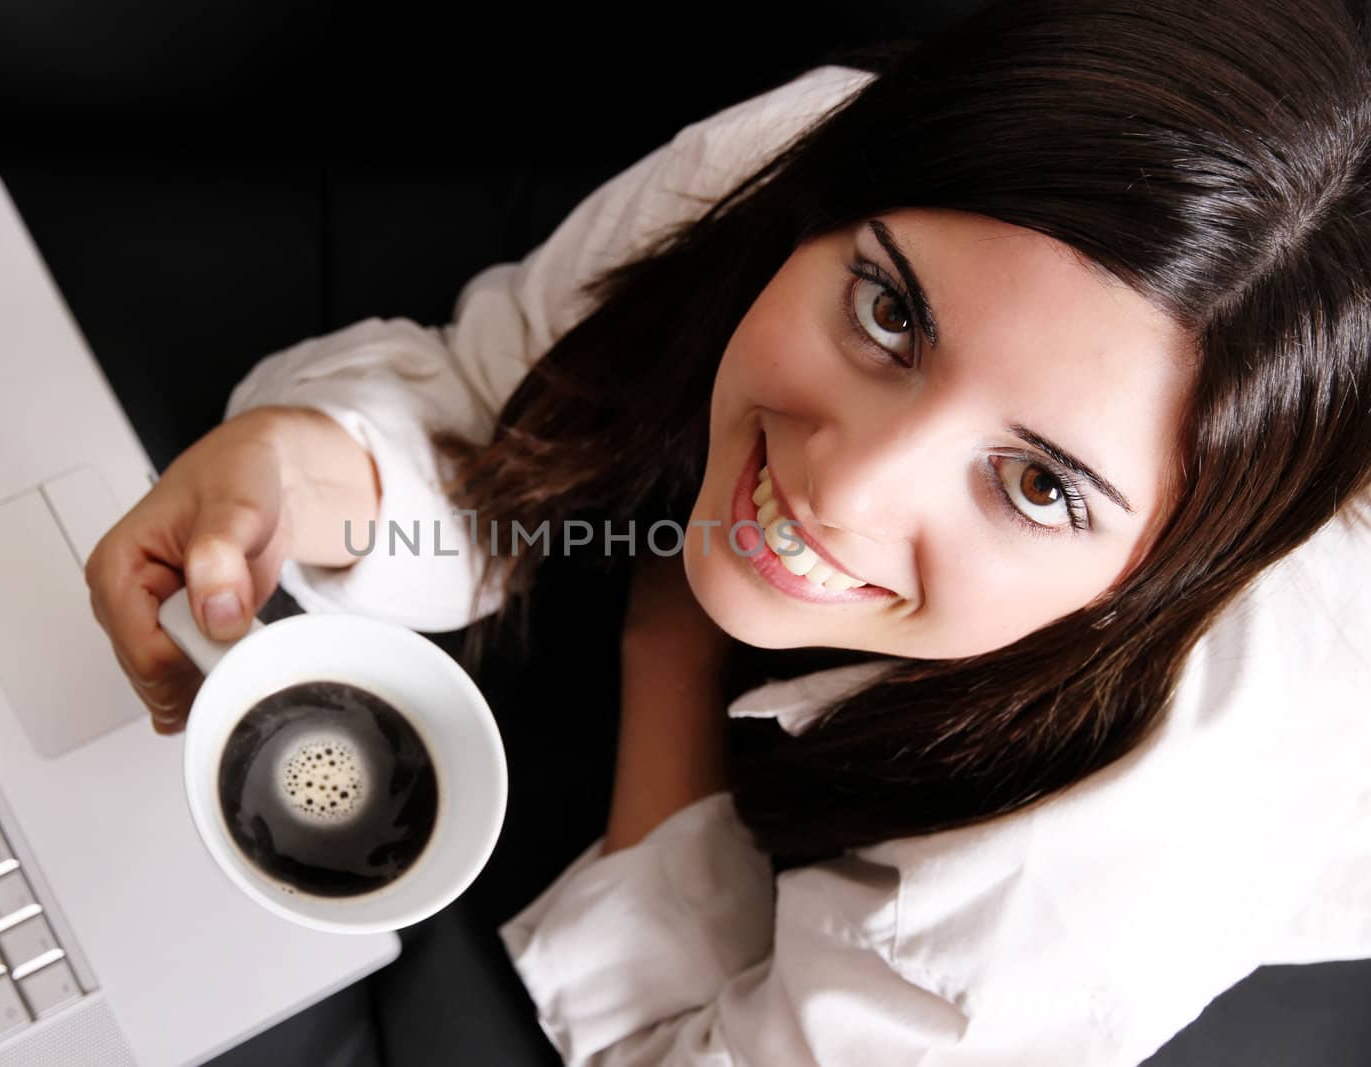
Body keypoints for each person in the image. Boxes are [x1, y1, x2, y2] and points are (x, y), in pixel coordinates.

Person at [84, 0, 1371, 1062]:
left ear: (1163, 573)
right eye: (888, 315)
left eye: (1039, 486)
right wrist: (309, 463)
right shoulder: (801, 154)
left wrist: (673, 639)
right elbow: (499, 396)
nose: (844, 488)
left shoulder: (1079, 876)